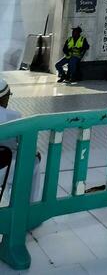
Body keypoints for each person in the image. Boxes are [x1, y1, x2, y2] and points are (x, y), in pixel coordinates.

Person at [0, 79, 42, 209]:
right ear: (2, 98)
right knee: (34, 161)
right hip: (4, 170)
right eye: (8, 96)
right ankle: (26, 207)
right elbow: (24, 143)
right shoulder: (14, 116)